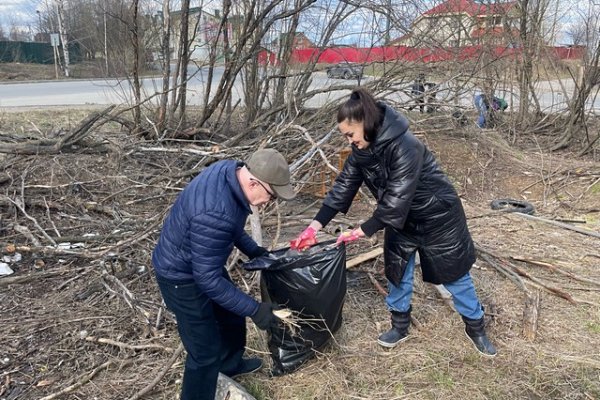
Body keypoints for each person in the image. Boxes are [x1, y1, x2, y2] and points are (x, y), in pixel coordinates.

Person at [292, 88, 497, 357]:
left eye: (350, 134)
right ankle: (399, 326)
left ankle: (476, 327)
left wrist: (362, 231)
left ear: (365, 123)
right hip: (401, 220)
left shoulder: (406, 146)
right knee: (397, 272)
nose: (349, 141)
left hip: (438, 218)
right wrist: (313, 227)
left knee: (455, 276)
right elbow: (342, 188)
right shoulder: (361, 152)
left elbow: (396, 198)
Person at [152, 148, 296, 400]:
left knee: (231, 315)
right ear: (253, 182)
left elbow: (230, 226)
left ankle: (229, 365)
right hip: (180, 277)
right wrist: (255, 309)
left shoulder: (230, 173)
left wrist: (254, 250)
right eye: (271, 196)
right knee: (204, 352)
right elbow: (207, 278)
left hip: (201, 260)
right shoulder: (215, 212)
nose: (269, 202)